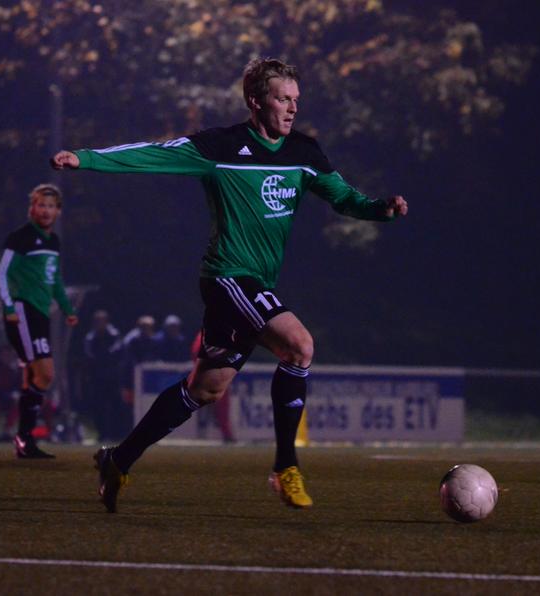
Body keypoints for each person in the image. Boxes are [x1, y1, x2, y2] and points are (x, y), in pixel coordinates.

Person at [52, 57, 408, 513]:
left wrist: (380, 209)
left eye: (297, 100)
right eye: (283, 99)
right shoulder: (220, 146)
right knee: (299, 346)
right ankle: (285, 466)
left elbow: (345, 198)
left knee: (205, 389)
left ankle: (118, 460)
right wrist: (85, 159)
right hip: (227, 277)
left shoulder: (304, 152)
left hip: (253, 283)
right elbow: (154, 155)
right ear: (255, 101)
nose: (293, 108)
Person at [0, 183, 78, 459]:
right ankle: (24, 437)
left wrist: (67, 308)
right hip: (23, 310)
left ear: (58, 212)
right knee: (43, 374)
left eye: (51, 206)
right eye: (41, 205)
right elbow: (2, 272)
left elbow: (54, 279)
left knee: (34, 376)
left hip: (40, 314)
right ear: (31, 208)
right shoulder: (21, 237)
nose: (46, 210)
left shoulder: (53, 242)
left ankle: (24, 439)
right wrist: (8, 306)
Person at [82, 309, 125, 441]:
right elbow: (88, 355)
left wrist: (106, 357)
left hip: (112, 377)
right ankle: (102, 433)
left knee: (115, 405)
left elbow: (118, 350)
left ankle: (116, 433)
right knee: (98, 406)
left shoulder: (114, 335)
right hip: (97, 377)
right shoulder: (91, 337)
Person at [118, 314, 159, 408]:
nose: (147, 329)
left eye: (149, 327)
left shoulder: (153, 340)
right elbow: (129, 361)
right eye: (144, 327)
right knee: (130, 406)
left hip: (147, 378)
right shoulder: (132, 340)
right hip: (130, 379)